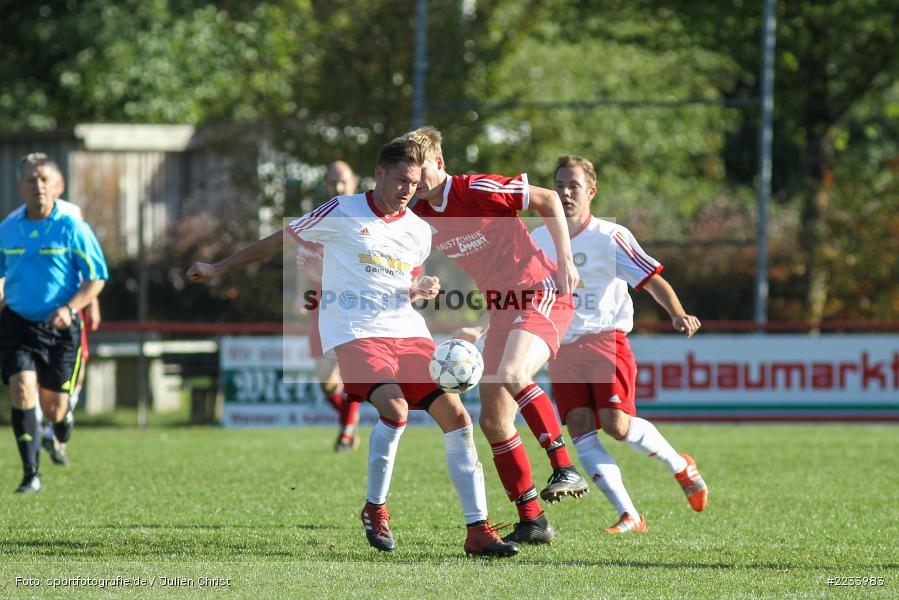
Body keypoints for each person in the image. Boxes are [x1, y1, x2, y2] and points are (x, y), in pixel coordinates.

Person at [187, 139, 517, 558]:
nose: (407, 190)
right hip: (354, 330)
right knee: (394, 410)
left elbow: (407, 282)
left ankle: (478, 531)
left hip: (407, 330)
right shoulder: (342, 211)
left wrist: (421, 287)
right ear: (379, 173)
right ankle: (375, 509)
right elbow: (279, 240)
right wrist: (219, 267)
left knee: (457, 419)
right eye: (400, 180)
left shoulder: (417, 229)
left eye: (414, 184)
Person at [401, 127, 588, 545]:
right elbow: (408, 259)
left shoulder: (477, 188)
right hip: (501, 309)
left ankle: (564, 466)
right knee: (494, 420)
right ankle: (533, 520)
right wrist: (420, 284)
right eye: (410, 175)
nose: (417, 182)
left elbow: (547, 198)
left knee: (514, 373)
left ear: (440, 163)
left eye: (423, 170)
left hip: (540, 291)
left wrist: (565, 260)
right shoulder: (422, 217)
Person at [530, 155, 708, 533]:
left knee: (616, 424)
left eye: (573, 185)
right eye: (559, 184)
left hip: (605, 341)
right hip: (560, 347)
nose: (564, 192)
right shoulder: (538, 237)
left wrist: (676, 313)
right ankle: (630, 515)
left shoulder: (610, 236)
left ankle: (681, 465)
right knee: (578, 425)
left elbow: (652, 278)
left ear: (591, 192)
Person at [0, 153, 108, 493]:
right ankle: (30, 474)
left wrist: (73, 308)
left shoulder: (72, 227)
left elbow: (97, 277)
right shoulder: (7, 229)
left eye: (44, 179)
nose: (38, 186)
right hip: (17, 324)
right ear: (20, 186)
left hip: (60, 328)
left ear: (57, 185)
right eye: (31, 180)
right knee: (21, 389)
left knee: (54, 407)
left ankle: (62, 422)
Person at [295, 161, 361, 451]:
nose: (338, 187)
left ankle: (346, 433)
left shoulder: (364, 218)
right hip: (322, 309)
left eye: (343, 181)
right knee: (326, 380)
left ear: (354, 182)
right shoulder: (317, 221)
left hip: (355, 308)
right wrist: (301, 294)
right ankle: (350, 422)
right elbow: (303, 263)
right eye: (332, 182)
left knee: (351, 374)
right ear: (325, 184)